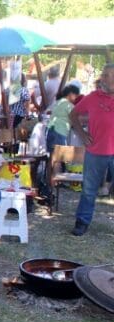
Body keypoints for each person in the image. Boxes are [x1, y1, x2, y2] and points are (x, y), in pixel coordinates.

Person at [69, 64, 114, 236]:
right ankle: (82, 222)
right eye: (104, 75)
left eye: (109, 75)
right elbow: (73, 114)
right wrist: (81, 133)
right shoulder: (92, 97)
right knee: (89, 190)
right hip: (96, 151)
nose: (105, 78)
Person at [45, 84, 81, 153]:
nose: (76, 98)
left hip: (49, 130)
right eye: (76, 95)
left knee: (52, 155)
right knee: (59, 156)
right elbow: (74, 119)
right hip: (60, 131)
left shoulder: (57, 102)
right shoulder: (69, 106)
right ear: (70, 94)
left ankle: (50, 164)